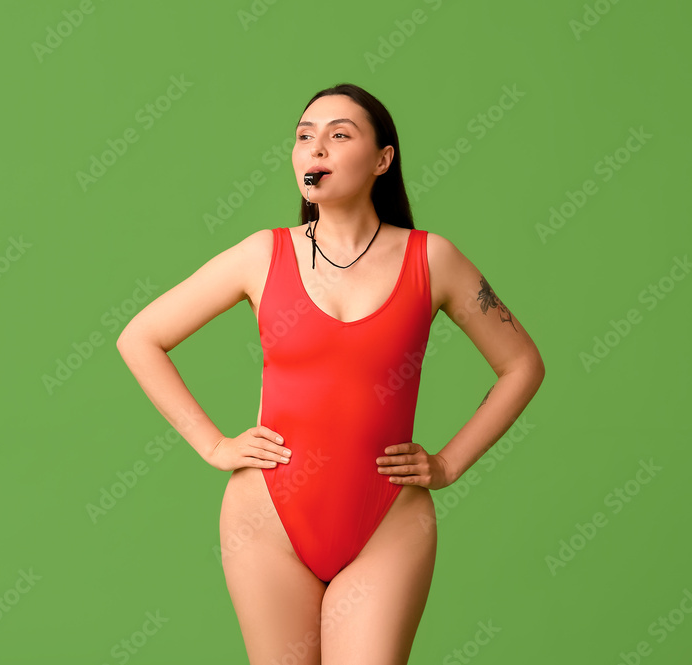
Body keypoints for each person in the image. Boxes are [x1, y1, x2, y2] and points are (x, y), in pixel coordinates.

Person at [116, 83, 544, 665]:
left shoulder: (432, 258)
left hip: (388, 521)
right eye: (303, 136)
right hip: (267, 521)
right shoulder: (261, 255)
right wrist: (213, 444)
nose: (315, 147)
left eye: (339, 135)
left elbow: (521, 365)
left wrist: (447, 463)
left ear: (382, 160)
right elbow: (140, 337)